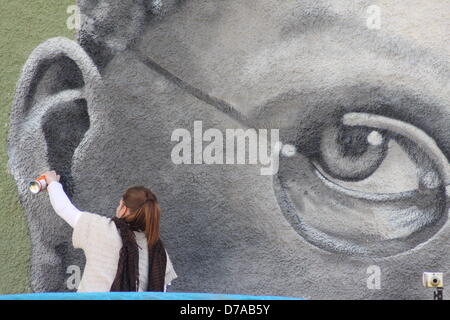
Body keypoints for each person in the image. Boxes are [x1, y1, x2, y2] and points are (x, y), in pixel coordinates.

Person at [42, 170, 177, 292]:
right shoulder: (157, 249)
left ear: (123, 208)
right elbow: (160, 291)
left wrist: (52, 183)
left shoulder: (102, 228)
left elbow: (64, 209)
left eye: (119, 204)